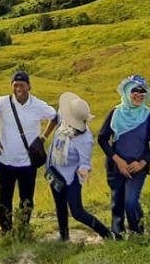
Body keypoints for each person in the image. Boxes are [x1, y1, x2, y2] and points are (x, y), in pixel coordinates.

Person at [0, 71, 57, 232]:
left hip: (27, 162)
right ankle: (5, 229)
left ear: (29, 86)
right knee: (5, 197)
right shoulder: (3, 102)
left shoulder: (38, 105)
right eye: (15, 85)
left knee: (26, 198)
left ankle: (23, 229)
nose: (18, 88)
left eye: (22, 85)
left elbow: (55, 117)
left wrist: (43, 137)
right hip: (5, 160)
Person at [97, 74, 150, 235]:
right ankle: (117, 235)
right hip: (116, 166)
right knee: (117, 203)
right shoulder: (115, 113)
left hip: (137, 167)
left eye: (142, 91)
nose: (138, 94)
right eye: (135, 91)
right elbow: (102, 138)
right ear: (126, 92)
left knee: (131, 201)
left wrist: (143, 163)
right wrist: (118, 161)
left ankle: (137, 233)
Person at [47, 92, 110, 241]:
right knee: (60, 205)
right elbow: (56, 119)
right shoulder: (64, 117)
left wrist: (84, 170)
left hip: (72, 177)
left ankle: (106, 233)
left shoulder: (84, 139)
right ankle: (64, 236)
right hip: (55, 171)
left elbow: (85, 162)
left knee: (77, 212)